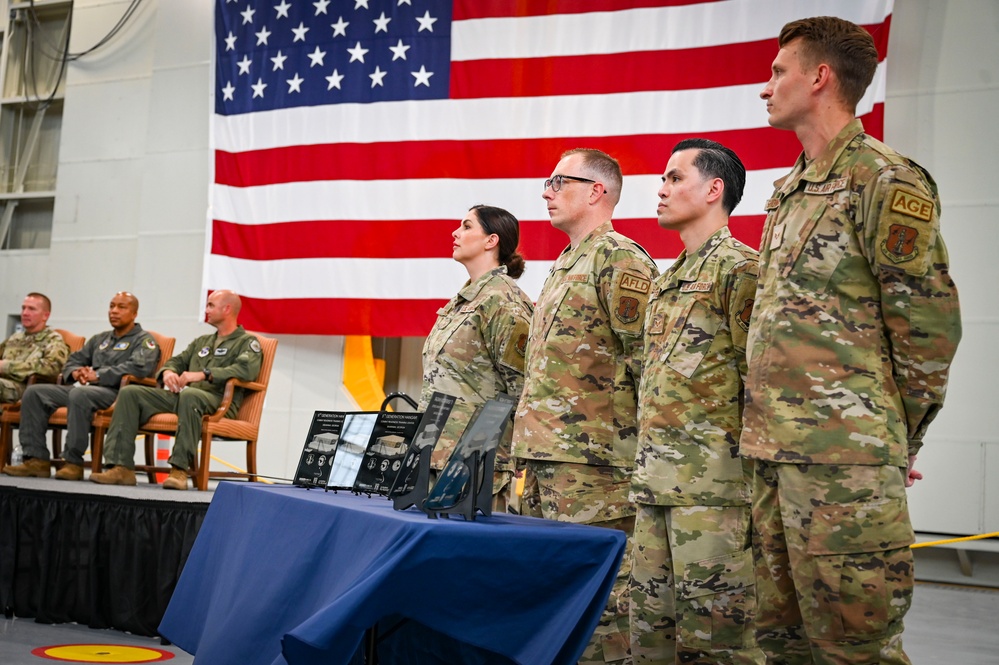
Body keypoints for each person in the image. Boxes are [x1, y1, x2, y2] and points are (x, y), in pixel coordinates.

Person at [742, 17, 962, 663]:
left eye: (778, 71)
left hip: (845, 465)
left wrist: (894, 437)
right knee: (780, 644)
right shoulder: (789, 192)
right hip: (774, 457)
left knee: (853, 650)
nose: (765, 87)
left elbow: (925, 328)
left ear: (819, 77)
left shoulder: (884, 180)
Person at [513, 148, 659, 664]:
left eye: (559, 181)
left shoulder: (620, 259)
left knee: (602, 602)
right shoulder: (566, 264)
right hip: (546, 459)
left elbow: (648, 360)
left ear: (597, 191)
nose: (546, 191)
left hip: (596, 466)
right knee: (551, 592)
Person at [628, 139, 763, 664]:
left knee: (718, 646)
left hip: (717, 497)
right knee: (651, 642)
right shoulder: (667, 283)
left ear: (714, 189)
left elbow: (764, 381)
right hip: (656, 488)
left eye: (674, 177)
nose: (661, 189)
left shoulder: (741, 271)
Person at [419, 205, 533, 513]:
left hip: (473, 463)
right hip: (435, 454)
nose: (456, 233)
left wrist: (513, 454)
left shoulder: (503, 301)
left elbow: (522, 387)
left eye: (467, 226)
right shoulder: (464, 300)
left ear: (491, 240)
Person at [91, 290, 262, 490]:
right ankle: (121, 468)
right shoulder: (202, 342)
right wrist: (168, 372)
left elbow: (245, 369)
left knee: (190, 394)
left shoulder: (247, 342)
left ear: (227, 309)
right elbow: (177, 361)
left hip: (220, 402)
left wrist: (204, 374)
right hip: (189, 400)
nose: (206, 310)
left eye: (210, 305)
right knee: (131, 392)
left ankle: (179, 470)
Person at [2, 292, 160, 480]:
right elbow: (73, 360)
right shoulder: (100, 339)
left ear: (134, 313)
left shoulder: (143, 340)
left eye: (121, 307)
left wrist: (98, 375)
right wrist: (76, 372)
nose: (114, 311)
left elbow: (139, 367)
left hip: (117, 393)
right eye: (111, 306)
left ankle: (73, 462)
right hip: (88, 389)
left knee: (80, 395)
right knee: (35, 392)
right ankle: (36, 459)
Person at [0, 293, 70, 404]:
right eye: (23, 308)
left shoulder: (53, 340)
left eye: (32, 309)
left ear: (45, 316)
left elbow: (52, 368)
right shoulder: (14, 338)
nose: (25, 313)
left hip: (29, 389)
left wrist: (7, 367)